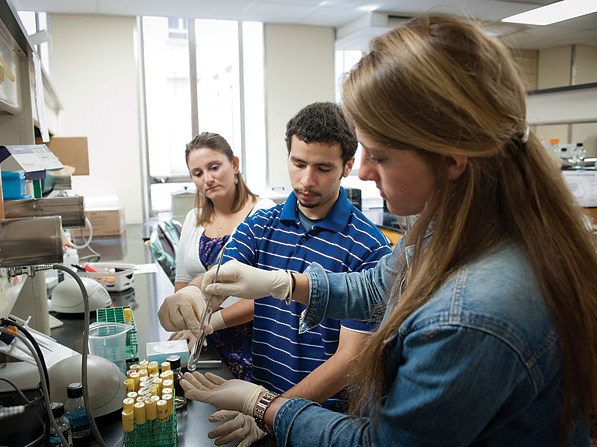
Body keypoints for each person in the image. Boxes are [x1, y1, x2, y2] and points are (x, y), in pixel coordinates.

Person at [179, 14, 597, 446]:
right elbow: (378, 287)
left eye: (379, 156)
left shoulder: (473, 314)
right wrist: (284, 283)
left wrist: (266, 407)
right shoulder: (454, 228)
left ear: (452, 159)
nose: (360, 172)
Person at [160, 102, 391, 445]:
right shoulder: (261, 223)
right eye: (298, 164)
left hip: (323, 422)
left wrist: (270, 412)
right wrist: (193, 294)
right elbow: (223, 275)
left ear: (348, 166)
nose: (306, 180)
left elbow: (349, 359)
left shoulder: (368, 247)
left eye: (323, 168)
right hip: (259, 399)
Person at [170, 131, 275, 381]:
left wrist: (210, 323)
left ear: (235, 165)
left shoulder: (264, 212)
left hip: (251, 340)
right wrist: (185, 322)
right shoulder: (193, 219)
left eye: (214, 167)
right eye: (198, 173)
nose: (208, 179)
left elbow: (268, 294)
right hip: (203, 340)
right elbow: (183, 279)